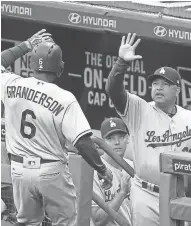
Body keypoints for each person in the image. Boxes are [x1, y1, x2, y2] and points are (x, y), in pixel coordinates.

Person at [1, 29, 112, 226]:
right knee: (67, 223)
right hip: (50, 170)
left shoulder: (11, 83)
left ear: (31, 64)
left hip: (19, 169)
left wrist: (26, 45)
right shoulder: (64, 97)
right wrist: (102, 169)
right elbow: (83, 142)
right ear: (60, 69)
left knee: (26, 222)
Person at [105, 33, 191, 226]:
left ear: (178, 90)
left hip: (178, 195)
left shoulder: (188, 118)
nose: (158, 88)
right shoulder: (140, 109)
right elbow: (113, 90)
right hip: (146, 194)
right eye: (155, 84)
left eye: (165, 84)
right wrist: (121, 63)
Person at [91, 117, 133, 226]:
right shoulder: (95, 171)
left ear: (127, 138)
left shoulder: (133, 167)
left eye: (121, 137)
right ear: (102, 141)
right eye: (110, 138)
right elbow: (97, 219)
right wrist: (122, 193)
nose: (117, 142)